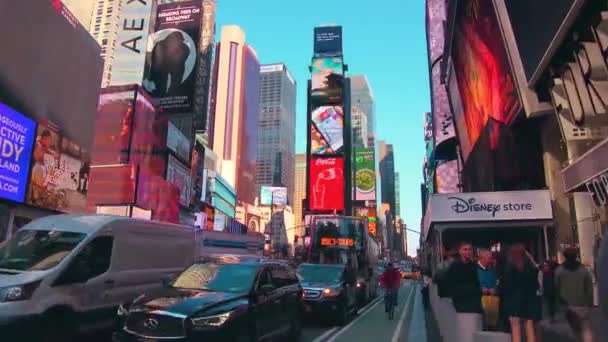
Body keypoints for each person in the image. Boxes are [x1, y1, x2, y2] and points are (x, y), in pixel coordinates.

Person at [444, 241, 483, 341]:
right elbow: (450, 285)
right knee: (465, 334)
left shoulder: (474, 266)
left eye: (470, 249)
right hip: (462, 305)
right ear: (460, 252)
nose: (468, 252)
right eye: (465, 249)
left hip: (475, 304)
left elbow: (478, 283)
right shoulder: (455, 266)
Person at [501, 244, 541, 342]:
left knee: (515, 329)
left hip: (514, 302)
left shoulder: (510, 267)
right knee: (530, 328)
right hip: (529, 302)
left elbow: (507, 286)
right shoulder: (531, 268)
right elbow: (537, 285)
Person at [555, 247, 594, 342]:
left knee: (572, 330)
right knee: (586, 329)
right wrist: (590, 303)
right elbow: (589, 288)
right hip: (582, 304)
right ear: (576, 256)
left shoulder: (559, 271)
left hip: (567, 305)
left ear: (565, 256)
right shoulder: (584, 270)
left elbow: (556, 289)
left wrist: (558, 304)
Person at [478, 249, 499, 329]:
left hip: (493, 301)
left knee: (492, 326)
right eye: (489, 258)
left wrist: (495, 288)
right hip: (480, 301)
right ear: (482, 258)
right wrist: (481, 288)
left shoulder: (494, 270)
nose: (491, 260)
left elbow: (497, 281)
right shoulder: (474, 269)